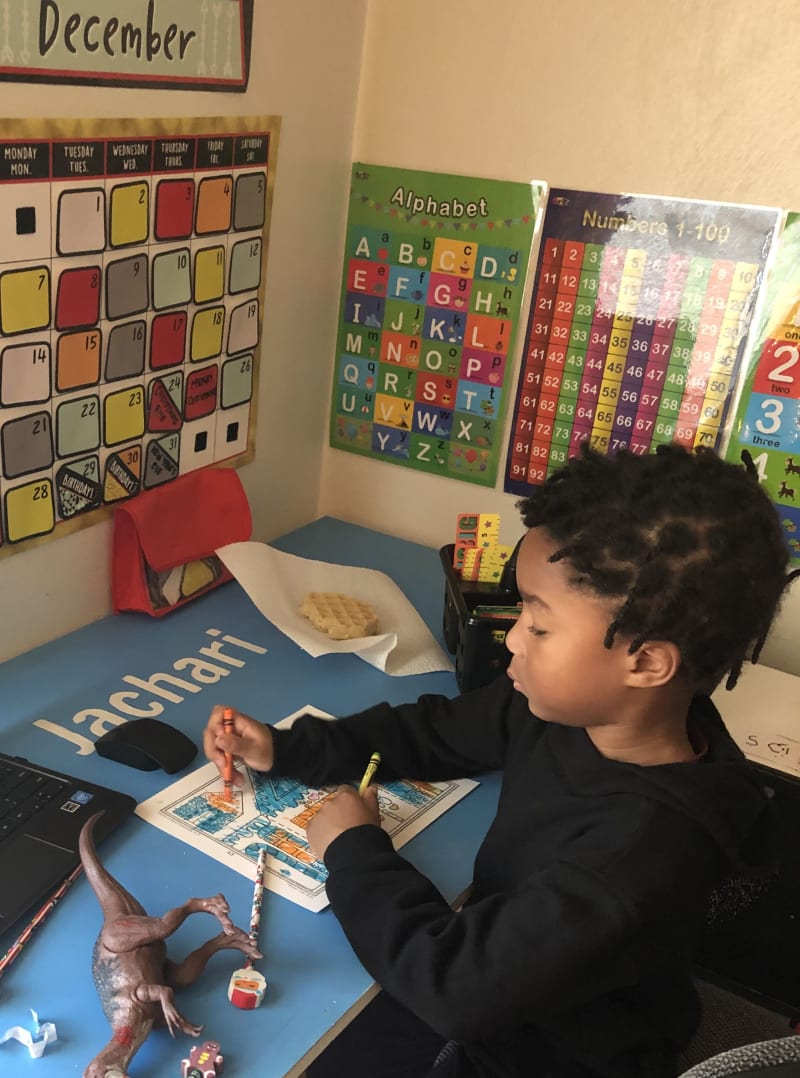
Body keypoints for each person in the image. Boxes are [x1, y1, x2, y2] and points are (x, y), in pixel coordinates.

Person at [204, 443, 796, 1078]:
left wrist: (354, 850)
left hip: (550, 1054)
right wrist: (292, 747)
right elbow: (438, 730)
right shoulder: (574, 712)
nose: (511, 637)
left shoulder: (643, 855)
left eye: (539, 626)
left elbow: (455, 986)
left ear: (647, 662)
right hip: (509, 983)